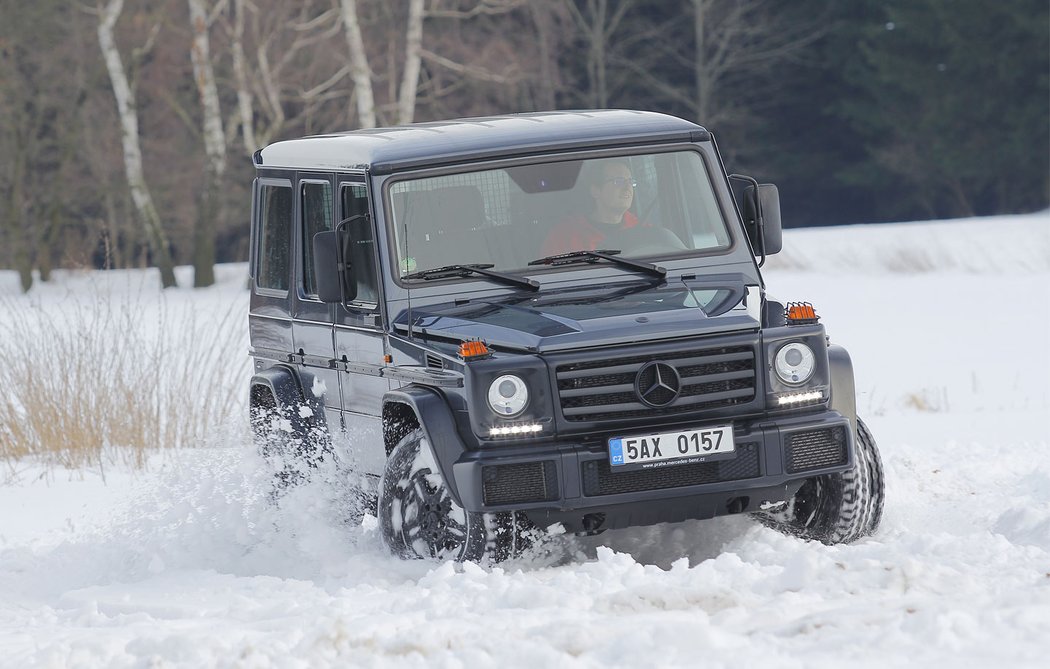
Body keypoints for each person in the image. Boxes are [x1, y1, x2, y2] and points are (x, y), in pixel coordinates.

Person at [540, 160, 642, 256]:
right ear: (595, 191)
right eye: (618, 181)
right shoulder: (563, 236)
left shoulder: (642, 229)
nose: (628, 188)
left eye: (630, 181)